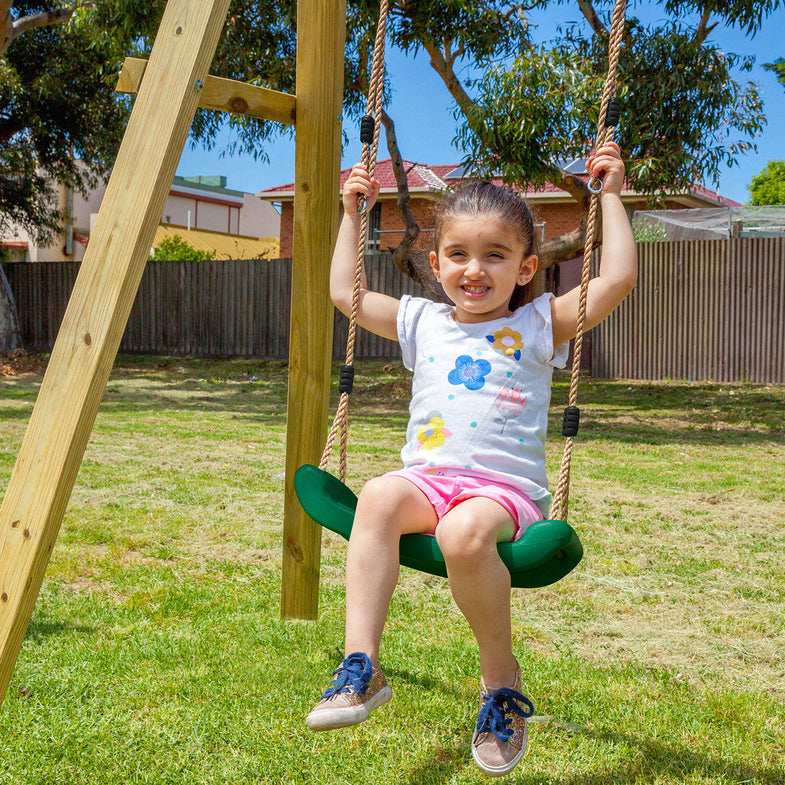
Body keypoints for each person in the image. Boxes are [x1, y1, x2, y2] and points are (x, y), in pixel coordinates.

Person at [306, 142, 637, 778]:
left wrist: (613, 195)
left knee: (463, 535)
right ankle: (361, 667)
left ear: (525, 267)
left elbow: (617, 277)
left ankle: (501, 684)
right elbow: (344, 294)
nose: (474, 269)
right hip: (426, 480)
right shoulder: (423, 321)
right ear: (435, 262)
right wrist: (353, 214)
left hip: (499, 491)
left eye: (495, 255)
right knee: (376, 494)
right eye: (458, 254)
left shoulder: (540, 322)